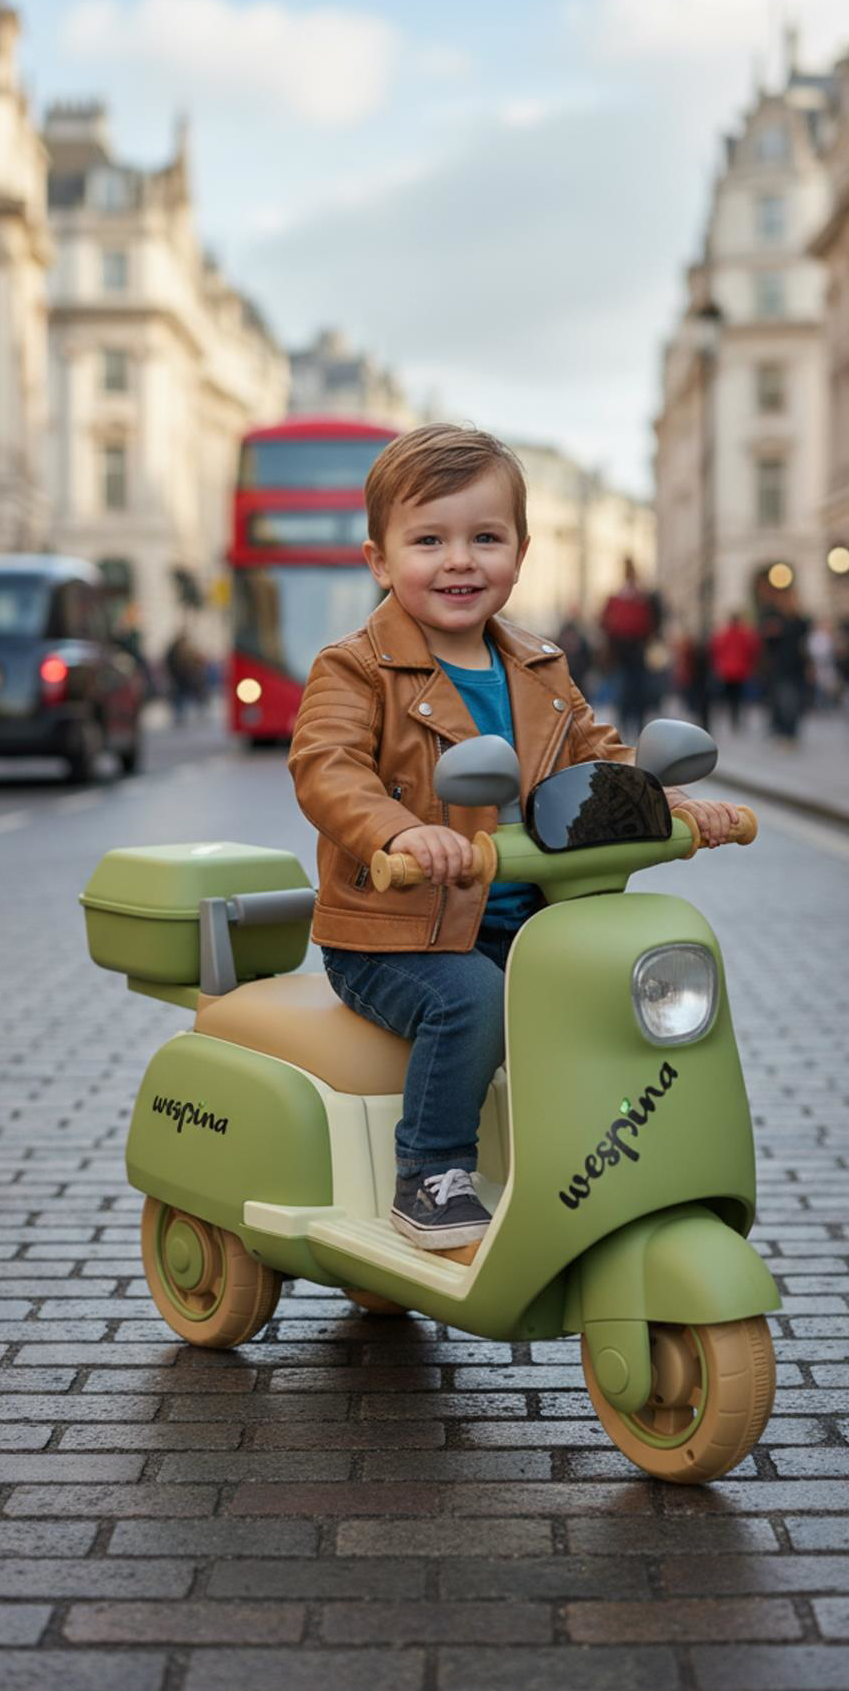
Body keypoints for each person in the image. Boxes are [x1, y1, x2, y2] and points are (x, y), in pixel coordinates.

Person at [288, 424, 741, 1253]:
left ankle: (597, 1164)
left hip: (529, 918)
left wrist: (663, 798)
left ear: (520, 553)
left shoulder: (539, 666)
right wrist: (403, 834)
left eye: (484, 538)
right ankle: (430, 1176)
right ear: (380, 561)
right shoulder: (353, 668)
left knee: (621, 992)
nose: (460, 560)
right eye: (429, 540)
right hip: (401, 935)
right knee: (470, 1002)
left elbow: (595, 755)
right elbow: (327, 767)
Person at [600, 558, 663, 741]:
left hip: (635, 649)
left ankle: (633, 725)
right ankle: (628, 725)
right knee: (627, 690)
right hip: (624, 650)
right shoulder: (623, 598)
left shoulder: (641, 598)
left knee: (635, 690)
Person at [759, 589, 810, 741]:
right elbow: (767, 642)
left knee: (794, 702)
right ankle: (786, 731)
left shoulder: (801, 622)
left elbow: (806, 644)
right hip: (781, 669)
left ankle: (790, 731)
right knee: (784, 701)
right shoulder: (775, 620)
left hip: (796, 669)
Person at [710, 611, 760, 732]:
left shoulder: (724, 634)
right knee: (740, 697)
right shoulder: (745, 634)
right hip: (741, 671)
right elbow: (752, 649)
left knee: (729, 697)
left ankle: (732, 719)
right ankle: (737, 720)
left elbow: (716, 649)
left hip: (727, 671)